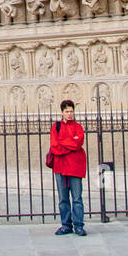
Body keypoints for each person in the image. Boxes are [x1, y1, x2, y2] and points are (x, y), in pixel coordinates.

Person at [49, 99, 87, 236]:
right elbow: (54, 146)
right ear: (62, 112)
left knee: (77, 198)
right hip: (60, 167)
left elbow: (78, 143)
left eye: (71, 111)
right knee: (63, 199)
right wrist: (70, 142)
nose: (70, 114)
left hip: (75, 167)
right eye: (67, 112)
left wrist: (63, 143)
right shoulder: (56, 127)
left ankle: (78, 225)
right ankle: (66, 224)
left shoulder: (78, 127)